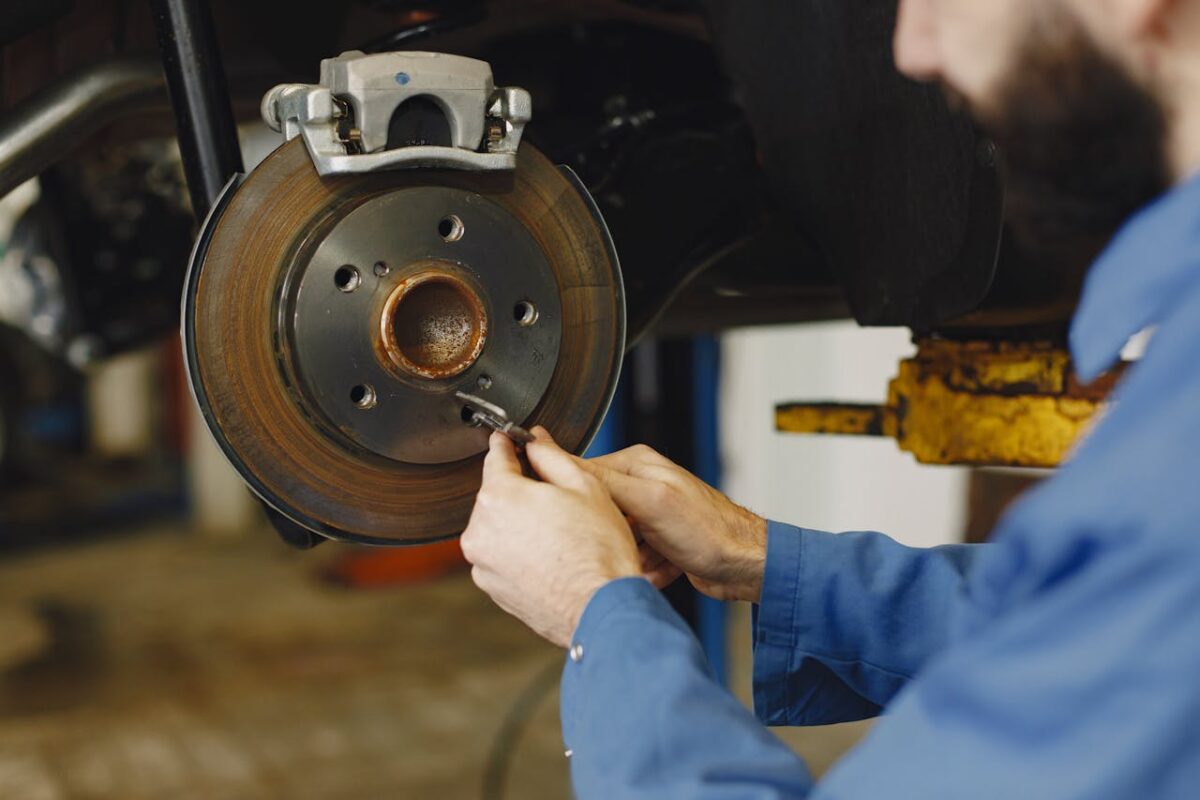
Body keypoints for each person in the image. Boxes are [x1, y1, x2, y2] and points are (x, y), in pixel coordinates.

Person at [459, 0, 1200, 796]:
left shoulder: (1167, 468)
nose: (912, 50)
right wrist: (761, 559)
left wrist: (596, 618)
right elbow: (1084, 640)